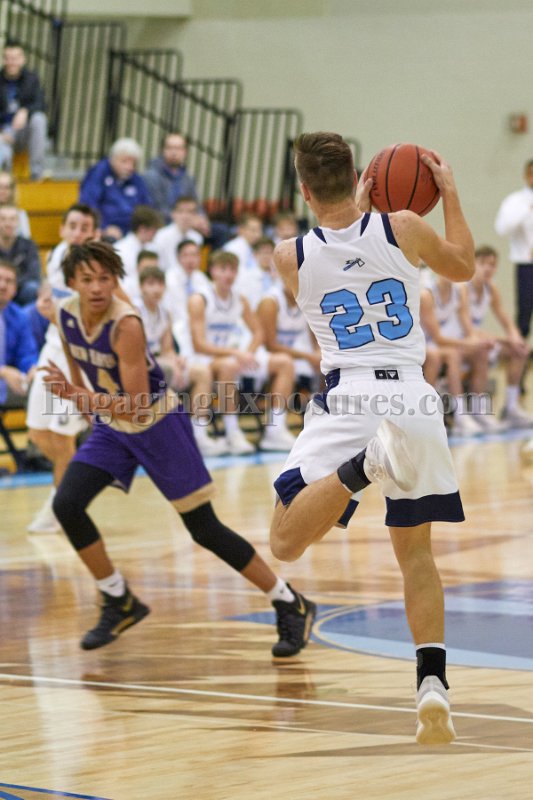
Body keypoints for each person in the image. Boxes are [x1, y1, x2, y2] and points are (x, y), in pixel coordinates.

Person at [269, 132, 476, 745]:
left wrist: (354, 211)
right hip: (412, 397)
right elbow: (462, 265)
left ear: (305, 190)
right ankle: (432, 683)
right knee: (416, 554)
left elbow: (339, 255)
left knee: (284, 540)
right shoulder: (404, 227)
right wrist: (450, 194)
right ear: (359, 173)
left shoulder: (288, 256)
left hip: (350, 395)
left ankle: (364, 466)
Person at [40, 240, 316, 658]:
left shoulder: (126, 324)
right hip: (113, 426)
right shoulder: (65, 314)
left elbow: (135, 404)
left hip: (157, 424)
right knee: (67, 504)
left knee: (204, 528)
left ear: (116, 281)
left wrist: (78, 395)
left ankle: (288, 601)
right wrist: (82, 401)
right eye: (87, 279)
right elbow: (81, 371)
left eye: (105, 278)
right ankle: (118, 598)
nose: (96, 287)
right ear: (72, 283)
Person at [26, 203, 100, 533]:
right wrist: (45, 303)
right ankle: (73, 486)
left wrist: (54, 316)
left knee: (62, 437)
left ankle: (61, 506)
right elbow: (51, 293)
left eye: (85, 228)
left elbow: (91, 324)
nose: (78, 233)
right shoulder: (57, 254)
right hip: (51, 350)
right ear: (62, 230)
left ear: (94, 234)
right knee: (36, 431)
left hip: (78, 359)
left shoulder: (96, 272)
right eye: (73, 226)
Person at [188, 249, 297, 455]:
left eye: (232, 270)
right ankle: (232, 433)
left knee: (285, 362)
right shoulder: (199, 299)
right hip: (203, 358)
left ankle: (275, 431)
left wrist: (248, 353)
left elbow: (258, 332)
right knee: (229, 365)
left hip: (234, 356)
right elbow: (198, 345)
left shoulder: (240, 299)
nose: (228, 274)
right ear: (212, 271)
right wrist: (236, 354)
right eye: (223, 269)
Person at [135, 264, 223, 457]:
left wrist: (177, 361)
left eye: (159, 284)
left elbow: (167, 349)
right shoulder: (134, 312)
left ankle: (198, 435)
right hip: (139, 367)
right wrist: (169, 365)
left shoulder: (164, 312)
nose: (156, 289)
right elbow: (136, 352)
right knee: (166, 371)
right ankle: (162, 440)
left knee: (202, 372)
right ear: (141, 287)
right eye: (150, 284)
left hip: (159, 363)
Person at [465, 245, 532, 428]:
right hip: (458, 340)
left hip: (477, 340)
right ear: (473, 264)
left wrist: (516, 338)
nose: (488, 268)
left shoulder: (490, 288)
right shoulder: (463, 288)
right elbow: (467, 329)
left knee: (519, 350)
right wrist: (505, 339)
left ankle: (511, 407)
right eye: (483, 263)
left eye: (493, 265)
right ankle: (478, 411)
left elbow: (505, 319)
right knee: (483, 349)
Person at [143, 131, 229, 248]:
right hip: (164, 223)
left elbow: (196, 204)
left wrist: (202, 220)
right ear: (162, 150)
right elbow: (157, 209)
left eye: (178, 148)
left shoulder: (187, 178)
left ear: (185, 152)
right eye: (169, 148)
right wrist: (186, 219)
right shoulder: (151, 176)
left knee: (221, 230)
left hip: (187, 222)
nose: (174, 152)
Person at [79, 138, 152, 239]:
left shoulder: (136, 179)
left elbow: (146, 207)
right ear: (113, 159)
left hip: (132, 232)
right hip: (106, 231)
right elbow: (88, 205)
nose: (129, 167)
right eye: (124, 161)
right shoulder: (98, 173)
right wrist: (104, 227)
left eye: (133, 163)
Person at [494, 159, 533, 341]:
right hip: (526, 265)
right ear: (525, 175)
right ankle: (520, 352)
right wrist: (527, 209)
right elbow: (502, 229)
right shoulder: (515, 201)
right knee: (524, 311)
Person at [0, 42, 48, 180]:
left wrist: (25, 110)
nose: (11, 62)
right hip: (3, 132)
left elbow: (41, 104)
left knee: (39, 119)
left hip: (23, 131)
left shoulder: (32, 79)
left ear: (22, 59)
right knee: (3, 153)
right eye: (8, 58)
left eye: (15, 58)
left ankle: (37, 174)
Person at [0, 258, 38, 408]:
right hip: (4, 376)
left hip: (7, 383)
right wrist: (3, 372)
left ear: (15, 289)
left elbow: (26, 354)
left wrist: (32, 369)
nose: (3, 285)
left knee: (44, 389)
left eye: (9, 281)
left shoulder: (20, 317)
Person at [114, 205, 162, 301]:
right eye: (153, 231)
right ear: (142, 229)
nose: (155, 235)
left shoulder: (153, 248)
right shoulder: (120, 250)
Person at [0, 202, 41, 305]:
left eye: (12, 219)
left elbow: (33, 274)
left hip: (21, 290)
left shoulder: (29, 245)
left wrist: (11, 284)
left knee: (32, 287)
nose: (8, 223)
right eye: (3, 219)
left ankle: (26, 315)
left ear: (18, 222)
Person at [151, 196, 203, 273]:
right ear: (173, 214)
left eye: (190, 212)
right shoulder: (161, 236)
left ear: (196, 215)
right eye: (181, 211)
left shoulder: (197, 238)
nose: (185, 216)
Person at [0, 171, 31, 237]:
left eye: (7, 187)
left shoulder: (20, 214)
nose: (2, 191)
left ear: (12, 191)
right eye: (0, 187)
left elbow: (26, 239)